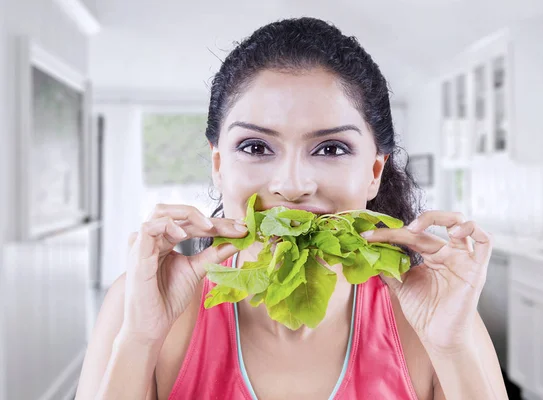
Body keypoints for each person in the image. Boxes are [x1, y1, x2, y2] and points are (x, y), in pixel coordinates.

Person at [76, 17, 508, 400]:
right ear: (219, 164)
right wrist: (139, 340)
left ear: (374, 171)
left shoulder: (432, 318)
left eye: (332, 148)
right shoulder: (139, 304)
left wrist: (452, 349)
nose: (293, 185)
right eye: (256, 146)